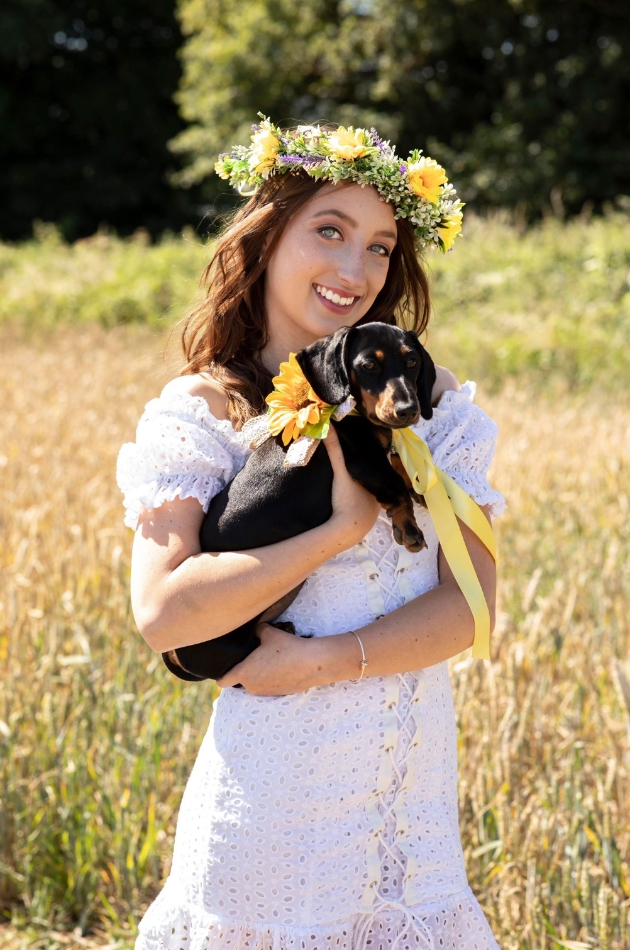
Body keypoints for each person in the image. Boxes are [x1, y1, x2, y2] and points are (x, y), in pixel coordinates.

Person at [116, 120, 506, 950]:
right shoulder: (207, 411)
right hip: (272, 809)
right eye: (328, 230)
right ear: (268, 236)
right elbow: (165, 615)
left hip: (411, 810)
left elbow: (471, 611)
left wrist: (321, 662)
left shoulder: (431, 406)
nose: (355, 269)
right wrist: (338, 530)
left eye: (379, 245)